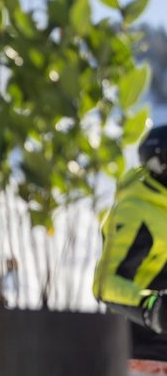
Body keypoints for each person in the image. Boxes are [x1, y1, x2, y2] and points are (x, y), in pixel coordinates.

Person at [94, 125, 167, 361]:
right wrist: (153, 308)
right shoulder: (135, 211)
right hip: (142, 351)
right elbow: (106, 284)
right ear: (159, 164)